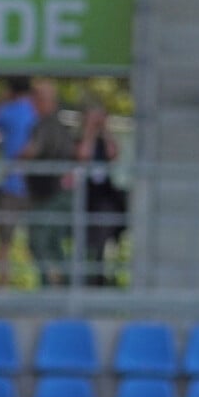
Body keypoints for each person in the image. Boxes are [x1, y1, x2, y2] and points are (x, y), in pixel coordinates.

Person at [18, 81, 76, 287]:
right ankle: (62, 289)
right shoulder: (60, 126)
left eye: (35, 99)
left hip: (51, 197)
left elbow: (30, 151)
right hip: (54, 195)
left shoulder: (44, 125)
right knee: (52, 244)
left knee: (40, 242)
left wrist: (16, 162)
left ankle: (54, 289)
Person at [0, 76, 37, 286]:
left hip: (13, 188)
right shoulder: (37, 111)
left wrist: (1, 102)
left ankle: (2, 290)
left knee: (4, 243)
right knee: (40, 242)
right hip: (38, 188)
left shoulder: (8, 111)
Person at [74, 102, 126, 286]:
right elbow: (83, 155)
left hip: (104, 194)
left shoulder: (104, 140)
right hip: (86, 194)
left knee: (102, 237)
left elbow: (114, 154)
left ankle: (99, 277)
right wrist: (89, 130)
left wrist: (104, 129)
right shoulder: (79, 138)